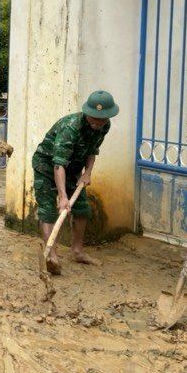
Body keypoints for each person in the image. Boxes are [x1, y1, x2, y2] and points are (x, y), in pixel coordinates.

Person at [33, 90, 119, 274]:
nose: (97, 123)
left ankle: (77, 251)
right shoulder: (70, 128)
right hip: (48, 166)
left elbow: (92, 151)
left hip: (73, 169)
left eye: (102, 119)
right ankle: (51, 255)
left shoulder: (104, 126)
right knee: (48, 210)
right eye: (94, 118)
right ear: (87, 112)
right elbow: (58, 164)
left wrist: (87, 172)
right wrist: (63, 197)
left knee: (82, 209)